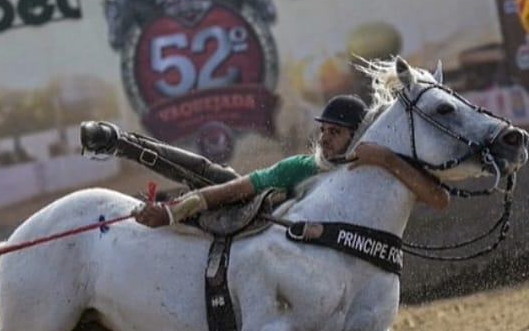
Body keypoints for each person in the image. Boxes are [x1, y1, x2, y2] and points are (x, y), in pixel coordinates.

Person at [132, 94, 449, 227]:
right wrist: (173, 212)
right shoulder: (301, 168)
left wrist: (384, 158)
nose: (324, 138)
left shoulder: (376, 168)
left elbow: (438, 200)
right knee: (212, 175)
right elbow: (238, 188)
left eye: (335, 132)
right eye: (323, 129)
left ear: (357, 135)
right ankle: (127, 144)